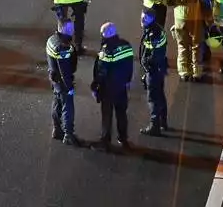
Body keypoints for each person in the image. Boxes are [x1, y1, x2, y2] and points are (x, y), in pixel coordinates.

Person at [163, 0, 210, 81]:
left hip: (179, 17)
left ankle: (184, 72)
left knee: (182, 44)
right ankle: (197, 73)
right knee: (196, 45)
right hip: (196, 18)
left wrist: (176, 3)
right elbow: (206, 2)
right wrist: (209, 20)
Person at [91, 22, 134, 152]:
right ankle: (123, 138)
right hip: (121, 87)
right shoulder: (126, 45)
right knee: (121, 113)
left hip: (108, 89)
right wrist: (127, 81)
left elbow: (101, 72)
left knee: (107, 115)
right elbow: (129, 66)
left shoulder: (106, 50)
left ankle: (105, 141)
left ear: (107, 34)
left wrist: (95, 87)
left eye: (102, 34)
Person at [46, 21, 83, 146]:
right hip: (63, 82)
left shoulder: (51, 40)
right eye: (70, 28)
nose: (73, 29)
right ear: (63, 29)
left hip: (54, 79)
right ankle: (68, 134)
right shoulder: (63, 47)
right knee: (68, 107)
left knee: (57, 103)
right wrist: (69, 87)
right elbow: (64, 71)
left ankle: (57, 129)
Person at [138, 10, 169, 136]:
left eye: (144, 18)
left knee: (153, 98)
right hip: (158, 69)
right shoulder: (156, 29)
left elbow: (154, 55)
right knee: (160, 95)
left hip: (154, 70)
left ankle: (154, 125)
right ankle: (163, 122)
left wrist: (146, 64)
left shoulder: (153, 34)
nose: (142, 20)